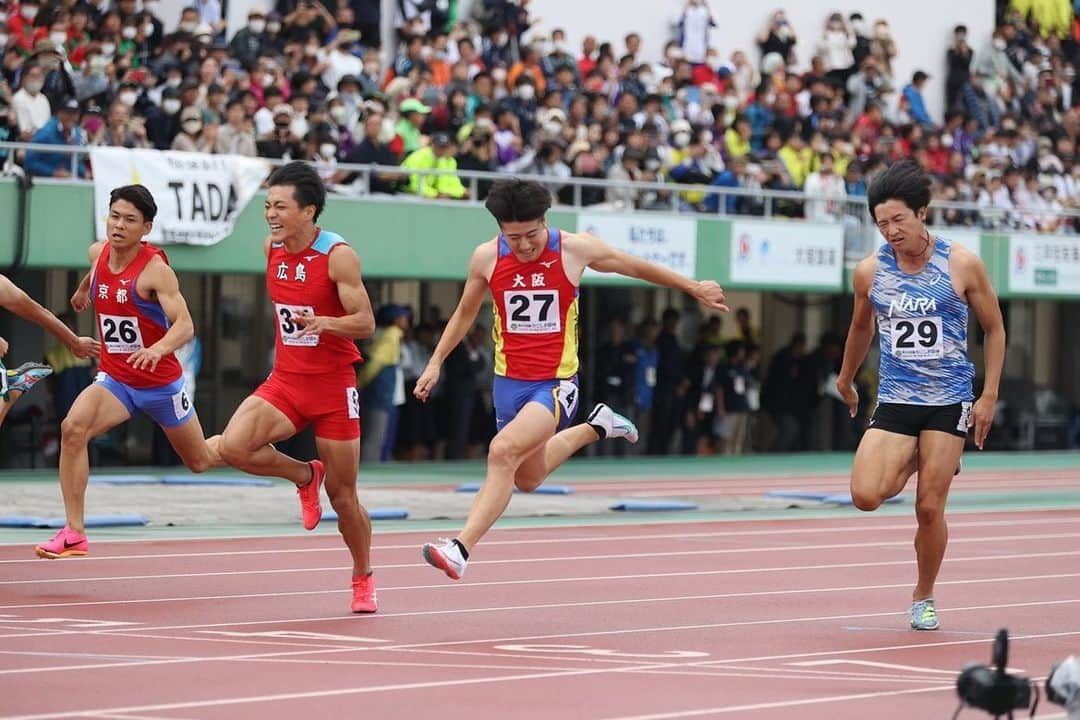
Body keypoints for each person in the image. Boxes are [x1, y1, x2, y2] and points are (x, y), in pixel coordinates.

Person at [416, 179, 728, 580]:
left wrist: (693, 287)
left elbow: (634, 265)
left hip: (556, 383)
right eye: (514, 238)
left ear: (545, 221)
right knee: (528, 477)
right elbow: (463, 314)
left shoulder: (575, 249)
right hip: (508, 384)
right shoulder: (486, 258)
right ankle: (598, 426)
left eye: (532, 235)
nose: (525, 245)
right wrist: (435, 362)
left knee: (501, 452)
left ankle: (460, 548)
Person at [835, 160, 1005, 631]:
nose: (890, 231)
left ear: (923, 213)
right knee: (865, 495)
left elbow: (993, 328)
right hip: (896, 397)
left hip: (950, 398)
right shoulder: (869, 272)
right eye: (881, 223)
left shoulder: (962, 263)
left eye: (898, 220)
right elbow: (859, 327)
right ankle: (918, 458)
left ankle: (923, 595)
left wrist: (987, 395)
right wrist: (846, 378)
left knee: (929, 507)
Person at [209, 161, 379, 614]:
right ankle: (306, 475)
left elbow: (365, 323)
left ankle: (362, 575)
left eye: (281, 207)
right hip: (286, 379)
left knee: (345, 500)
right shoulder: (272, 248)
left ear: (308, 211)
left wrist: (324, 322)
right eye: (267, 206)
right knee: (234, 446)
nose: (271, 215)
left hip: (332, 386)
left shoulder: (338, 255)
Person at [35, 185, 221, 559]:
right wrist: (83, 290)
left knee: (199, 460)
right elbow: (96, 270)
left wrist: (157, 349)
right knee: (73, 430)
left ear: (146, 228)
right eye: (114, 216)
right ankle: (74, 532)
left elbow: (185, 326)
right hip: (117, 380)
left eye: (129, 220)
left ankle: (241, 444)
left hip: (161, 384)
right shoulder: (98, 251)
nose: (118, 225)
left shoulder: (156, 272)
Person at [1, 275, 98, 425]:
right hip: (64, 396)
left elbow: (33, 309)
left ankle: (10, 389)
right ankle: (11, 389)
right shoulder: (53, 355)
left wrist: (74, 342)